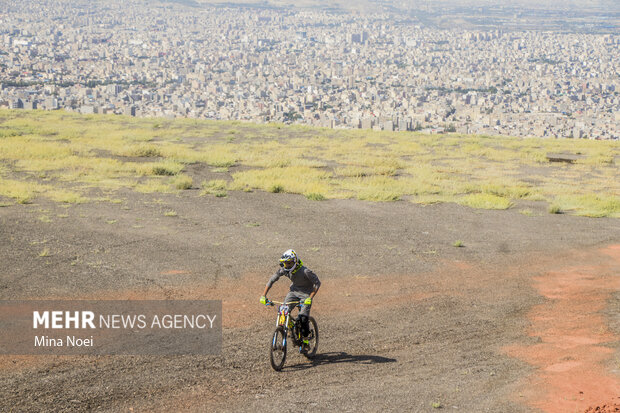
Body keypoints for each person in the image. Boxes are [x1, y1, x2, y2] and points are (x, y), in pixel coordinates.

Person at [260, 249, 321, 349]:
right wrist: (263, 295)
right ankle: (289, 329)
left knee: (303, 318)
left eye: (289, 263)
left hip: (306, 295)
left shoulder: (305, 271)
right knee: (283, 310)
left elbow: (317, 283)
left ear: (295, 261)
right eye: (285, 263)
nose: (287, 265)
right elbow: (272, 280)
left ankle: (305, 340)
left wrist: (310, 297)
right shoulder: (284, 270)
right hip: (293, 292)